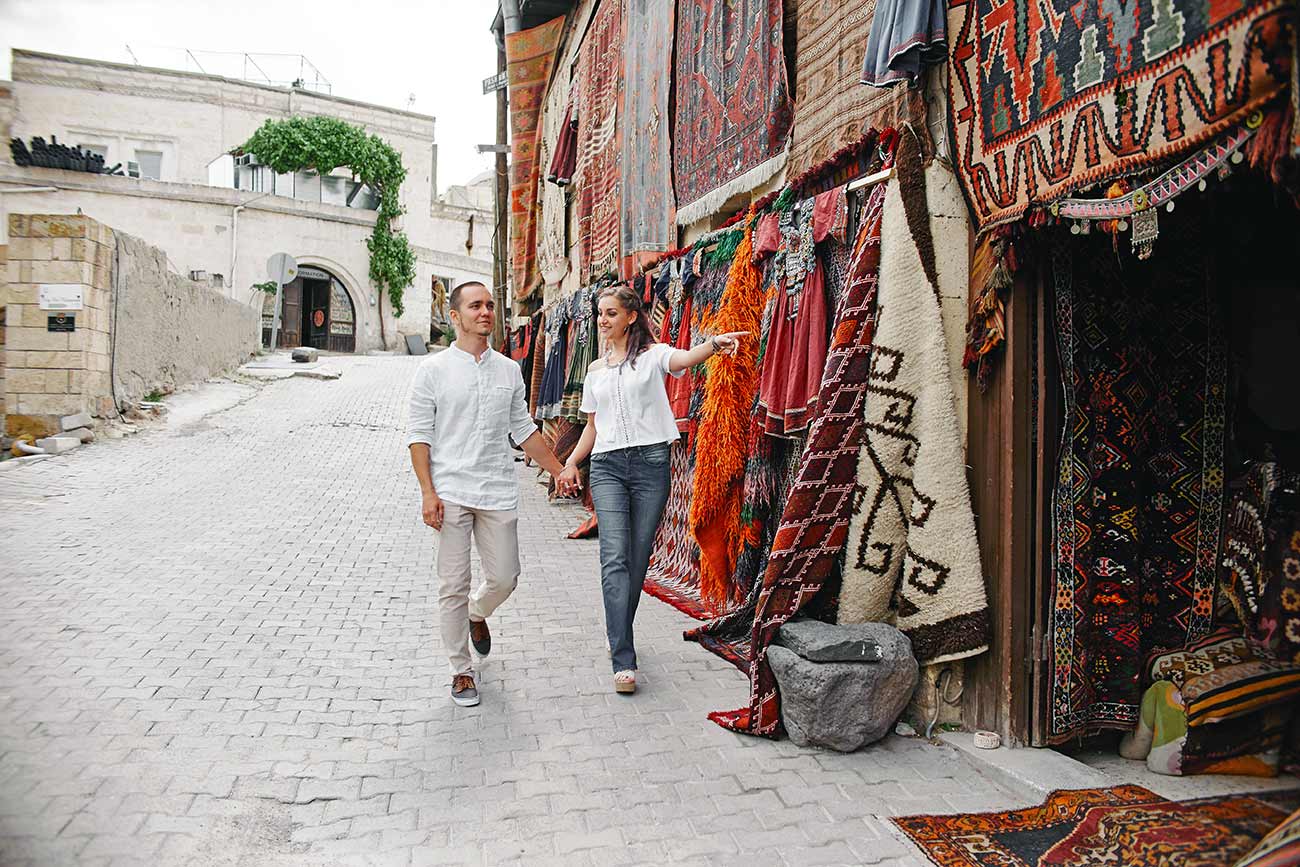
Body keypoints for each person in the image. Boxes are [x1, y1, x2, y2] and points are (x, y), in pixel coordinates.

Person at [558, 284, 745, 694]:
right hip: (606, 466)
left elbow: (685, 357)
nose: (602, 321)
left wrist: (714, 344)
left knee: (638, 559)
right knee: (614, 557)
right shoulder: (594, 371)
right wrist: (572, 461)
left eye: (610, 313)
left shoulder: (653, 355)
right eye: (599, 314)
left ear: (629, 316)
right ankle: (623, 656)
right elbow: (592, 426)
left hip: (651, 465)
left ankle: (618, 632)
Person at [407, 281, 568, 707]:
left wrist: (558, 471)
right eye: (475, 306)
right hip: (451, 490)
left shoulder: (509, 370)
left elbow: (524, 431)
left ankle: (477, 614)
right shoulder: (433, 371)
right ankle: (460, 671)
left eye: (490, 306)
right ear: (455, 317)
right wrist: (428, 492)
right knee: (452, 585)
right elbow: (419, 437)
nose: (485, 312)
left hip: (496, 488)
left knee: (504, 578)